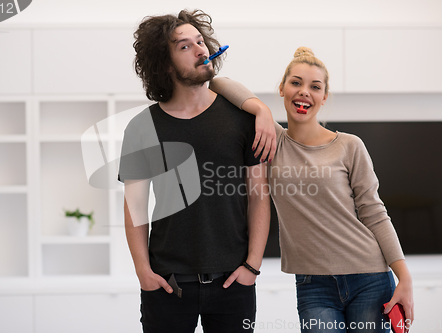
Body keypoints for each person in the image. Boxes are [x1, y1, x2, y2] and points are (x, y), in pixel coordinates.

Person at [209, 47, 414, 332]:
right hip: (313, 284)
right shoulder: (272, 143)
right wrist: (261, 109)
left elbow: (375, 213)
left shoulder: (349, 146)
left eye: (315, 87)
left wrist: (404, 278)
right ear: (281, 89)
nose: (304, 91)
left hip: (369, 277)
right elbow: (217, 82)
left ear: (324, 97)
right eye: (296, 83)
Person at [118, 9, 273, 333]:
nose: (201, 50)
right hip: (167, 284)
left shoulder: (242, 119)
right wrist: (143, 272)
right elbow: (134, 207)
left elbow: (259, 195)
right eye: (185, 46)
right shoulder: (142, 126)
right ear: (164, 62)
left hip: (234, 283)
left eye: (200, 41)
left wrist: (252, 266)